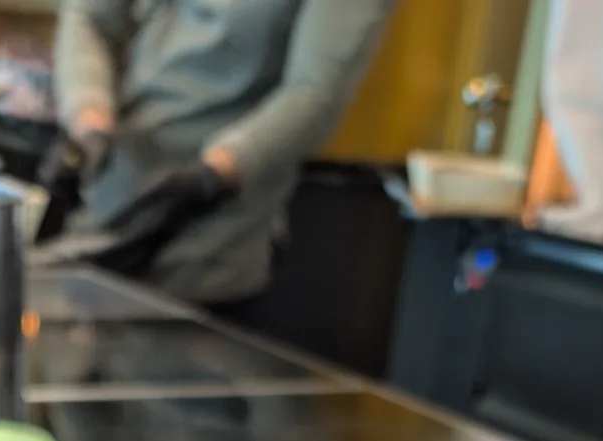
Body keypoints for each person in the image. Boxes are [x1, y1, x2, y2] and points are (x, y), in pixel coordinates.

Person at [53, 0, 396, 311]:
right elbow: (90, 17)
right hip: (105, 196)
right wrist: (89, 119)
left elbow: (317, 90)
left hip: (214, 237)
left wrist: (214, 175)